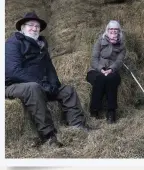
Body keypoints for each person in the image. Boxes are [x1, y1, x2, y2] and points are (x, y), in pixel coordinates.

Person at [5, 12, 91, 148]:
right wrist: (41, 84)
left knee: (67, 91)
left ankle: (77, 126)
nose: (34, 29)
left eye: (37, 26)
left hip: (39, 84)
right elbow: (12, 71)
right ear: (22, 27)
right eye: (31, 25)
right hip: (13, 85)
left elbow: (49, 68)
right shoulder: (13, 43)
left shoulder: (41, 45)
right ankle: (49, 136)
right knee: (33, 87)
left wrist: (54, 84)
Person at [86, 20, 126, 124]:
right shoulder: (100, 41)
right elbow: (94, 59)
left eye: (116, 30)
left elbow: (119, 61)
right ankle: (94, 110)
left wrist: (111, 69)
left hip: (112, 71)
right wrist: (101, 69)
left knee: (111, 79)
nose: (113, 32)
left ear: (119, 32)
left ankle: (111, 112)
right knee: (101, 78)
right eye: (111, 29)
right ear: (107, 30)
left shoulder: (121, 46)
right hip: (96, 70)